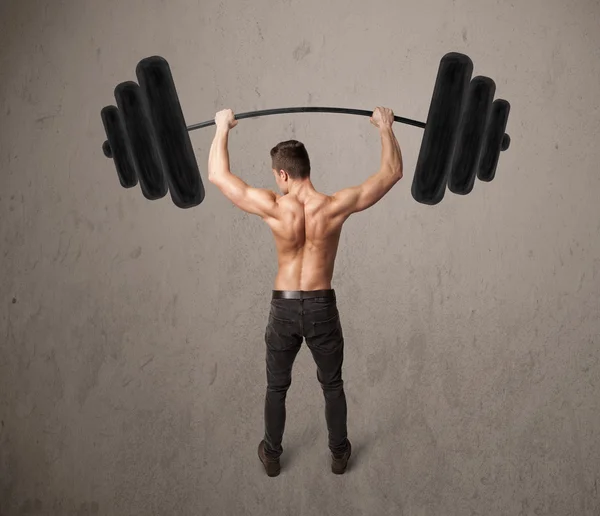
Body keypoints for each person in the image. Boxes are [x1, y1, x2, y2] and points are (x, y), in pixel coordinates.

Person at [207, 107, 403, 476]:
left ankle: (272, 454)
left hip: (283, 308)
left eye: (276, 176)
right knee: (332, 385)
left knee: (276, 387)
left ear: (283, 173)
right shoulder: (333, 207)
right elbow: (392, 173)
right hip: (320, 306)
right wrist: (385, 128)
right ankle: (339, 454)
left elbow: (217, 174)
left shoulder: (274, 207)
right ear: (306, 169)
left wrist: (222, 129)